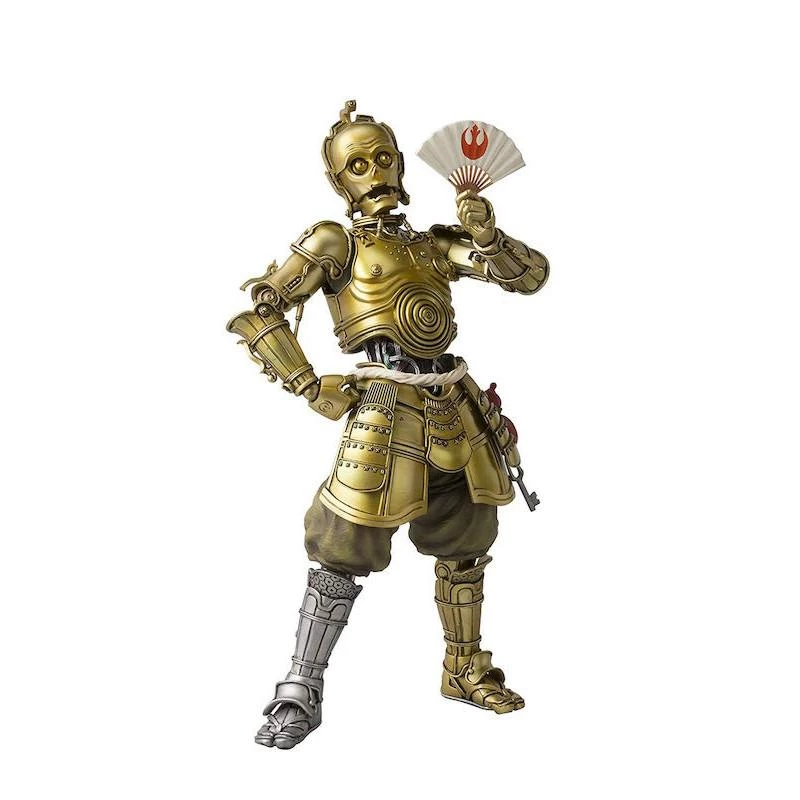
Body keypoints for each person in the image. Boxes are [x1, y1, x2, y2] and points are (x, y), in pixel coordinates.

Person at [227, 100, 549, 749]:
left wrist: (488, 237)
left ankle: (464, 668)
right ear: (337, 180)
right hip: (381, 409)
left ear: (400, 165)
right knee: (341, 548)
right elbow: (262, 310)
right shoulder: (335, 243)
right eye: (357, 165)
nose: (373, 173)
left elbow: (529, 276)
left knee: (466, 542)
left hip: (454, 405)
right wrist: (305, 382)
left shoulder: (432, 245)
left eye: (382, 159)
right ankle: (301, 687)